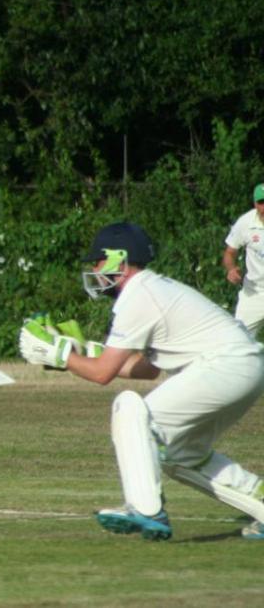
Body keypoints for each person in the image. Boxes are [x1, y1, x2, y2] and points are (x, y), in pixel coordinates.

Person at [18, 222, 264, 541]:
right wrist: (82, 353)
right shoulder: (152, 289)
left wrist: (59, 354)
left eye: (97, 262)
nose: (94, 270)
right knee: (178, 455)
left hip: (226, 366)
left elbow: (102, 374)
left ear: (117, 260)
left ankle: (146, 509)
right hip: (245, 368)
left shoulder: (138, 295)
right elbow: (146, 368)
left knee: (132, 410)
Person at [223, 182, 264, 337]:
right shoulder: (245, 222)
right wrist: (231, 269)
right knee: (239, 339)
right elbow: (230, 252)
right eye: (261, 203)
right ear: (255, 203)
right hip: (254, 291)